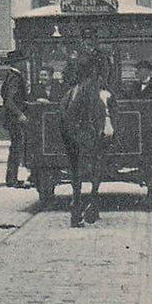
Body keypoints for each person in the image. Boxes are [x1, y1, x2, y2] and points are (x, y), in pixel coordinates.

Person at [59, 52, 116, 227]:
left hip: (93, 88)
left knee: (109, 102)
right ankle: (82, 204)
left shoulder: (97, 57)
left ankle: (85, 204)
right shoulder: (80, 61)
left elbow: (107, 72)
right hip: (83, 89)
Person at [1, 50, 29, 188]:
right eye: (23, 61)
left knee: (15, 148)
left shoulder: (9, 76)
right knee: (16, 148)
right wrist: (20, 114)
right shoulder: (15, 77)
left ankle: (11, 178)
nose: (25, 63)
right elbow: (10, 101)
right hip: (15, 120)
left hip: (10, 119)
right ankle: (12, 179)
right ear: (18, 62)